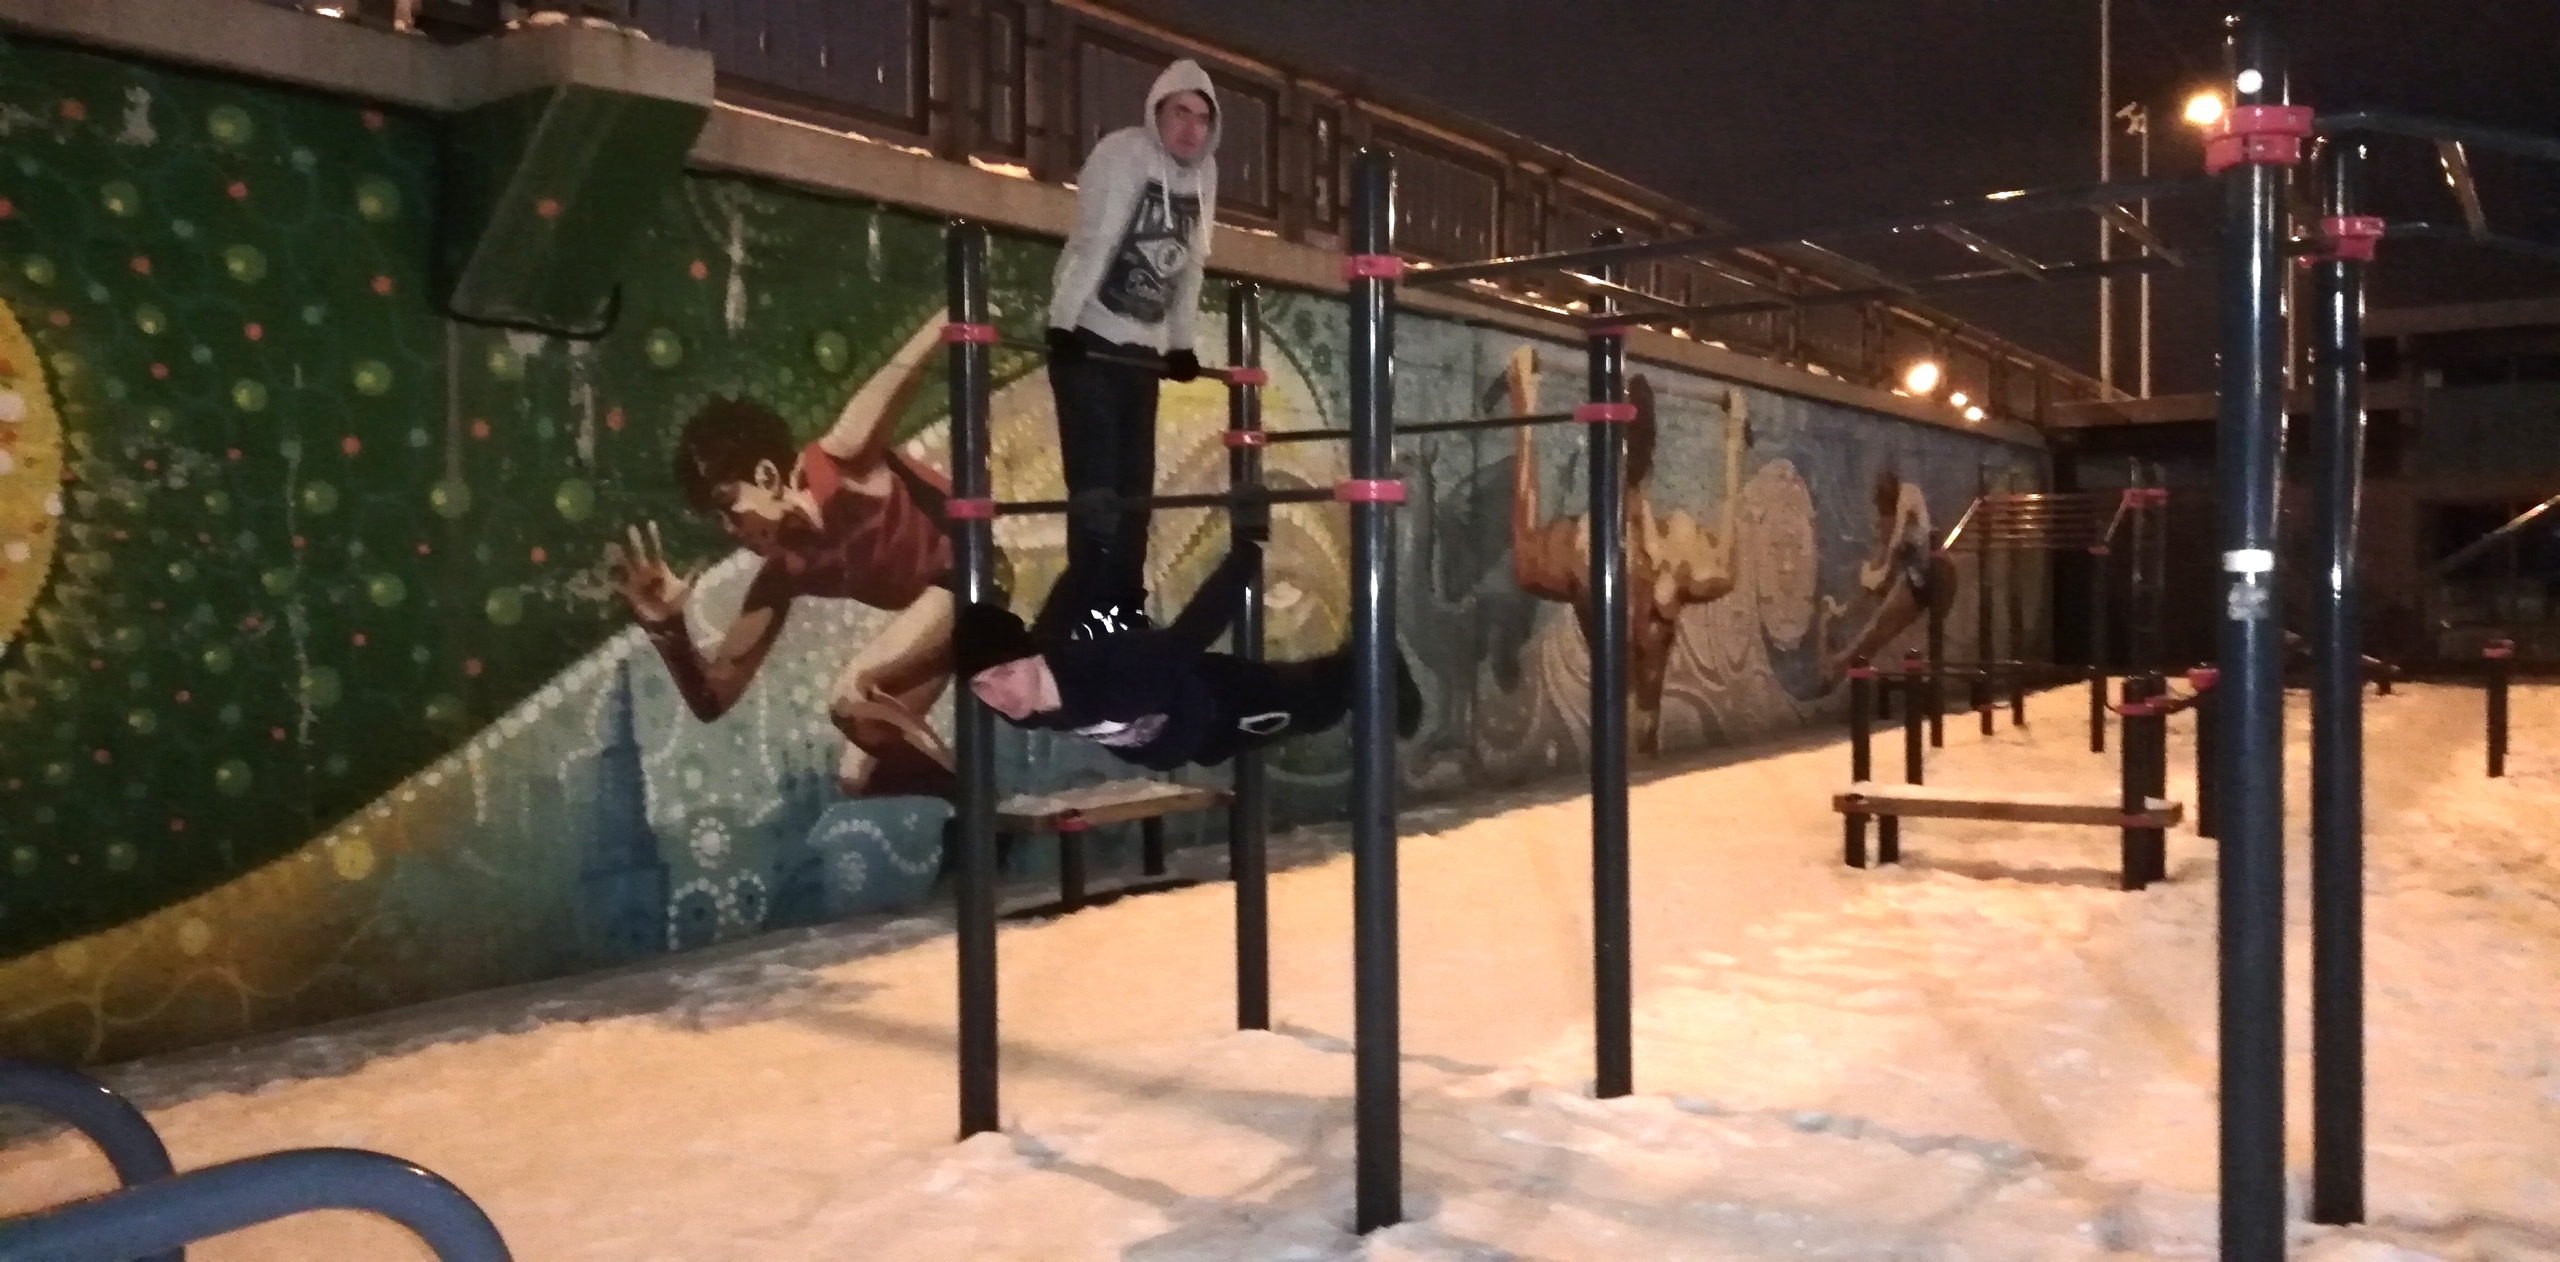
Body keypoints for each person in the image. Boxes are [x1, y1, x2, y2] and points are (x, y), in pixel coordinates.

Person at [609, 315, 961, 799]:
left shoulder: (840, 457)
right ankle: (988, 812)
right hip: (942, 620)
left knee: (850, 694)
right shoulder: (784, 573)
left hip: (971, 575)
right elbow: (713, 698)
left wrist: (964, 309)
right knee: (858, 775)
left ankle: (980, 804)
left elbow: (910, 360)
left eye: (729, 507)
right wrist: (669, 628)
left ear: (767, 476)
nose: (730, 530)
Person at [954, 543, 1421, 771]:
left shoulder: (1121, 677)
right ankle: (1353, 669)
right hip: (1194, 735)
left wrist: (1247, 552)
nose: (998, 695)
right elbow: (1057, 614)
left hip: (1222, 700)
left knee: (1314, 705)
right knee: (1309, 704)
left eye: (1004, 673)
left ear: (1032, 661)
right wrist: (1092, 550)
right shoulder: (1020, 703)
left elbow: (1197, 627)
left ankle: (1371, 662)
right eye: (980, 685)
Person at [1041, 58, 1223, 638]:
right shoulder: (1122, 155)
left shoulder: (1205, 174)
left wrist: (1181, 345)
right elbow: (1095, 241)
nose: (1190, 128)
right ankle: (1085, 615)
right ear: (1157, 113)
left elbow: (1192, 264)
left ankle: (1120, 612)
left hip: (1140, 349)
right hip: (1091, 337)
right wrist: (1063, 325)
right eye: (1180, 113)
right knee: (1097, 488)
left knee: (1134, 494)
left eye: (1201, 118)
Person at [1508, 347, 1753, 756]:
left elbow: (1526, 558)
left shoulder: (1601, 543)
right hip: (1633, 723)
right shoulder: (1664, 545)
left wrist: (1524, 408)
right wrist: (1733, 440)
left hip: (1628, 725)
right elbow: (1724, 568)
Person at [1817, 467, 1957, 690]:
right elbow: (1882, 570)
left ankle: (1838, 667)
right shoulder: (1892, 533)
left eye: (1882, 522)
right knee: (1878, 631)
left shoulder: (1908, 497)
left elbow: (1893, 542)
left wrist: (1883, 566)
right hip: (1918, 578)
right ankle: (1840, 670)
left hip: (1938, 571)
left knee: (1923, 634)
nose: (1879, 527)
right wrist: (1845, 608)